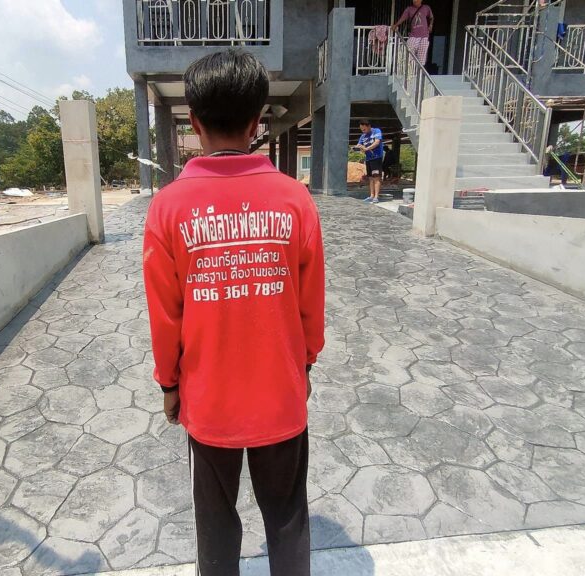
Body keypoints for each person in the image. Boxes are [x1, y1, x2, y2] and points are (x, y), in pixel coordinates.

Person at [142, 49, 325, 576]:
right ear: (257, 122)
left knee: (216, 522)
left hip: (209, 400)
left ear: (195, 124)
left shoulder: (168, 207)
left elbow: (165, 315)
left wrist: (169, 384)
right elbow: (310, 305)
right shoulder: (294, 200)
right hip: (280, 394)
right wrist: (305, 365)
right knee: (287, 517)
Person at [392, 0, 434, 65]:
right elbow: (402, 18)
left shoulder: (426, 8)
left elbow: (431, 17)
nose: (414, 1)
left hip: (424, 37)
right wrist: (396, 25)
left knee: (421, 60)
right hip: (413, 36)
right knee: (407, 55)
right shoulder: (409, 9)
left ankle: (418, 71)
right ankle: (410, 70)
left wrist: (430, 25)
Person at [355, 119, 384, 203]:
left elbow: (377, 142)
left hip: (376, 158)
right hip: (368, 159)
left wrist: (366, 148)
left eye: (364, 129)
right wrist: (357, 147)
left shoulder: (376, 131)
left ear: (369, 126)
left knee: (376, 177)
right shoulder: (363, 136)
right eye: (361, 129)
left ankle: (376, 197)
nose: (363, 131)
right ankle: (371, 195)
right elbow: (359, 145)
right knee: (370, 178)